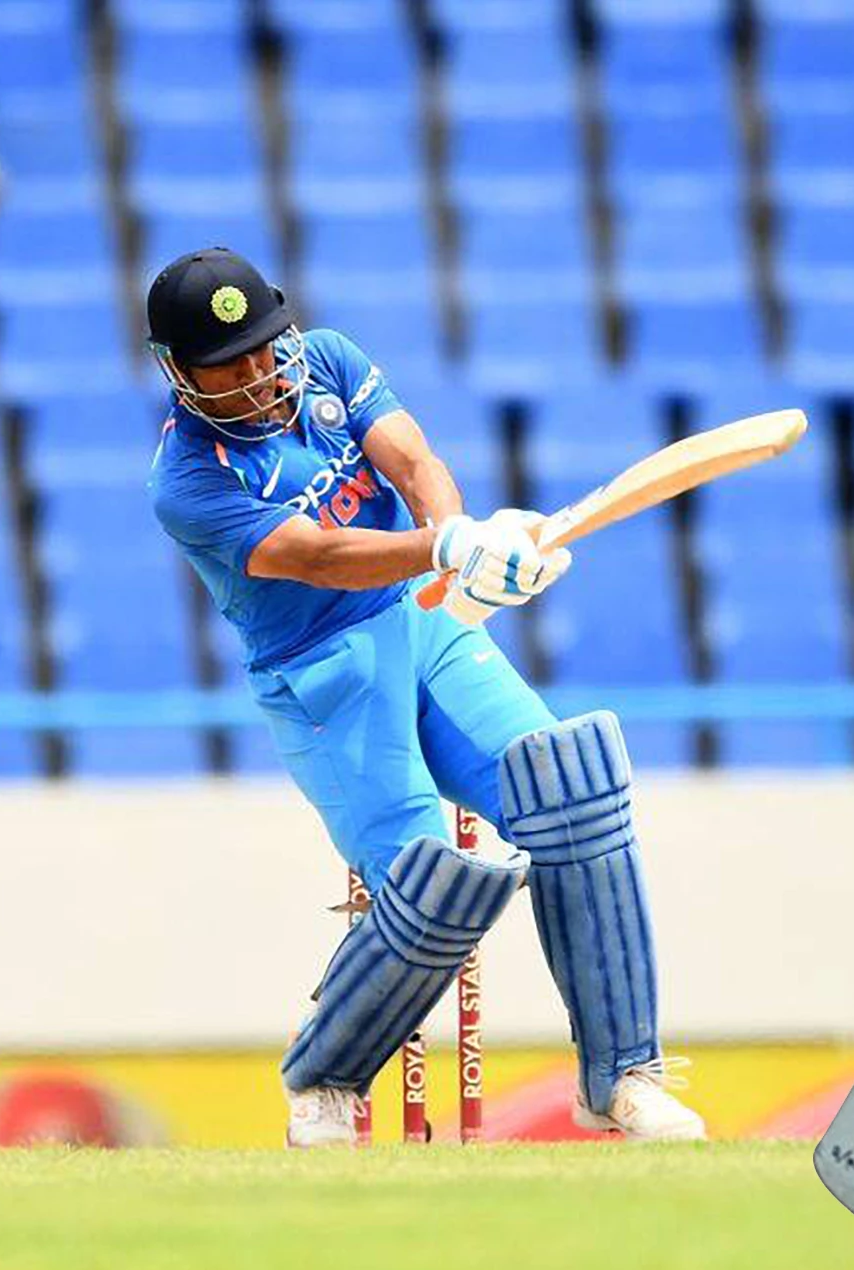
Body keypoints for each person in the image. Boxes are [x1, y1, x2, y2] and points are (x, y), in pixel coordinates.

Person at [145, 248, 705, 1147]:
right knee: (428, 883)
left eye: (262, 347)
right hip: (322, 670)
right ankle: (324, 1079)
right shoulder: (189, 483)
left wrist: (462, 540)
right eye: (228, 362)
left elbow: (413, 460)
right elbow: (318, 556)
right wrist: (443, 553)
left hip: (421, 620)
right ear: (177, 370)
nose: (256, 374)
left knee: (570, 790)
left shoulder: (324, 358)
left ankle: (620, 1078)